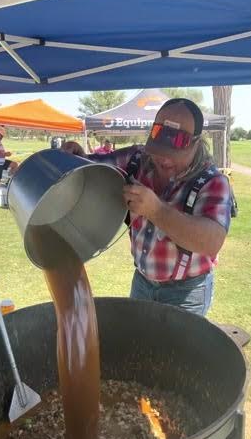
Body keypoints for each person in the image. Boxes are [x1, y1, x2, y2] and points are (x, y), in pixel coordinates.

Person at [61, 99, 232, 317]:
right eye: (159, 149)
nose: (163, 159)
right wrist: (78, 156)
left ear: (197, 144)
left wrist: (156, 211)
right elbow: (93, 169)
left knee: (176, 351)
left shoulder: (213, 182)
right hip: (142, 281)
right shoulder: (136, 159)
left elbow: (211, 242)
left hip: (187, 291)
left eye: (174, 153)